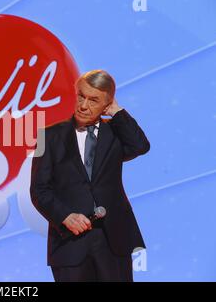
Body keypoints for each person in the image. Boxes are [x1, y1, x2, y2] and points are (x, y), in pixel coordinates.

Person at [30, 70, 150, 282]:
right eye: (81, 96)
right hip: (70, 242)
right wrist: (65, 216)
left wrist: (116, 111)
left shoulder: (115, 134)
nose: (84, 105)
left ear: (107, 103)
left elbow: (140, 146)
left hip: (113, 239)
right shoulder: (47, 136)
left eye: (94, 100)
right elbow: (39, 189)